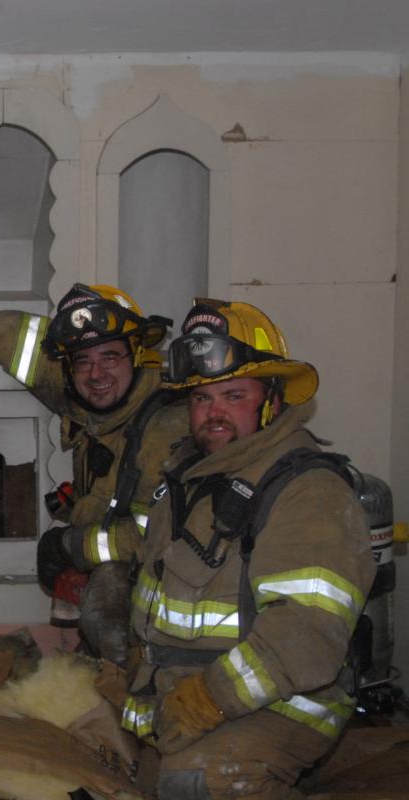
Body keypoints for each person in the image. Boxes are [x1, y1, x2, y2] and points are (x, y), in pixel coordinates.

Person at [120, 299, 373, 798]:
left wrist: (204, 702)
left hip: (286, 700)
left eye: (233, 395)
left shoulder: (308, 491)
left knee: (195, 783)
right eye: (201, 399)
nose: (214, 413)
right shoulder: (187, 481)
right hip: (188, 690)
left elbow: (303, 639)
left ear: (272, 401)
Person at [0, 285, 188, 662]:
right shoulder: (85, 398)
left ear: (138, 355)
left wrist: (72, 546)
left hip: (176, 585)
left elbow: (156, 535)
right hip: (123, 554)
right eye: (83, 361)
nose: (96, 374)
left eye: (110, 357)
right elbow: (11, 336)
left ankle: (135, 683)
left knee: (108, 592)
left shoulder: (166, 428)